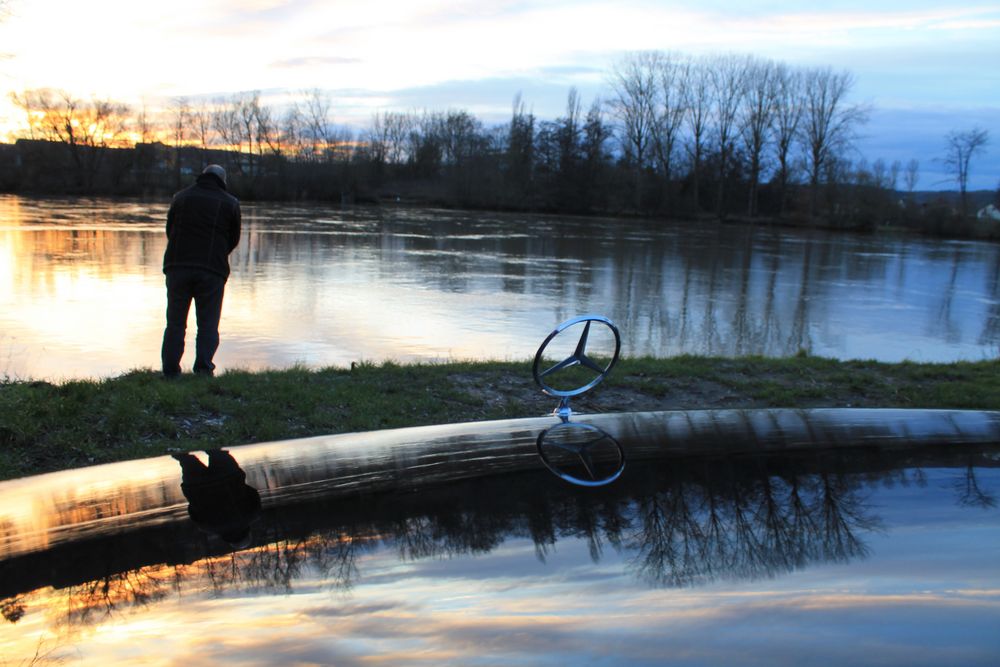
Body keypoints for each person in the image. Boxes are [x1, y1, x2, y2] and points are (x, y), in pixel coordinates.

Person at [161, 164, 241, 378]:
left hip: (177, 267)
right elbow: (233, 239)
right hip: (212, 270)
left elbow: (170, 231)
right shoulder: (231, 203)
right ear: (223, 181)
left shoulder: (180, 197)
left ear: (202, 176)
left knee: (175, 323)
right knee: (208, 324)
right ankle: (204, 369)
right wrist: (217, 252)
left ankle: (170, 371)